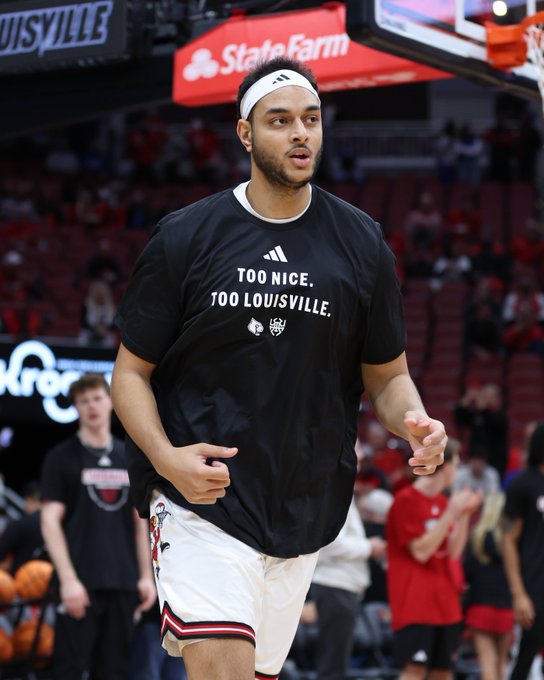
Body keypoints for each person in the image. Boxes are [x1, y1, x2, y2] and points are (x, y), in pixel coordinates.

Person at [111, 57, 447, 680]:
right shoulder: (187, 237)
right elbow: (129, 373)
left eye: (311, 120)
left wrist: (415, 421)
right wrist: (165, 460)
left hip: (302, 504)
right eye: (280, 121)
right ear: (245, 133)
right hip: (200, 499)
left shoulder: (361, 243)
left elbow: (388, 376)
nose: (300, 134)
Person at [40, 373, 156, 680]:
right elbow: (49, 520)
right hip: (81, 583)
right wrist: (67, 580)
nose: (91, 406)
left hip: (123, 581)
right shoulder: (61, 457)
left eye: (97, 398)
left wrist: (146, 576)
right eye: (83, 401)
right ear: (76, 407)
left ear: (111, 402)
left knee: (114, 671)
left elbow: (139, 521)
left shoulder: (127, 456)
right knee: (69, 670)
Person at [386, 438, 483, 679]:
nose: (458, 471)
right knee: (414, 670)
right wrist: (452, 511)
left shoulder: (442, 501)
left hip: (446, 603)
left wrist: (462, 517)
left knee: (443, 672)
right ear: (446, 466)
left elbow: (452, 552)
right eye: (457, 464)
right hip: (414, 604)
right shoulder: (405, 500)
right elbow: (421, 552)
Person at [310, 495, 386, 680]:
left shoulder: (344, 492)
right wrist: (369, 547)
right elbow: (330, 544)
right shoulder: (330, 491)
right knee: (332, 666)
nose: (359, 464)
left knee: (337, 662)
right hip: (335, 585)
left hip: (343, 587)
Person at [501, 422, 544, 680]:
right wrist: (519, 594)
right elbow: (508, 539)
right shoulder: (522, 485)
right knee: (526, 657)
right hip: (534, 586)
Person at [463, 491, 514, 680]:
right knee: (502, 663)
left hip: (479, 607)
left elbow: (467, 573)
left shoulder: (476, 538)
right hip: (506, 608)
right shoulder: (512, 541)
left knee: (487, 661)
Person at [0, 480, 44, 574]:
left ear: (27, 500)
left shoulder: (20, 525)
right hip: (50, 582)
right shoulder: (60, 526)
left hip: (21, 581)